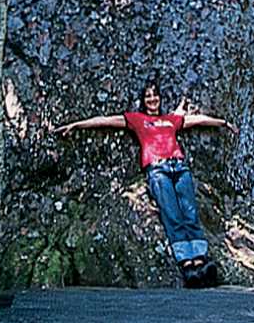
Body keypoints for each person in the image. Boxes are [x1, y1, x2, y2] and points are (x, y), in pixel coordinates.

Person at [55, 80, 238, 280]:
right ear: (143, 101)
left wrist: (223, 123)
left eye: (155, 95)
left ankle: (200, 259)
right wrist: (77, 125)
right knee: (172, 214)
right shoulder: (137, 119)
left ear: (160, 98)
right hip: (158, 170)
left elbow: (198, 120)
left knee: (190, 212)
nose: (152, 99)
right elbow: (106, 120)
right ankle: (187, 262)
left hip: (179, 167)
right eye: (148, 96)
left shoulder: (171, 119)